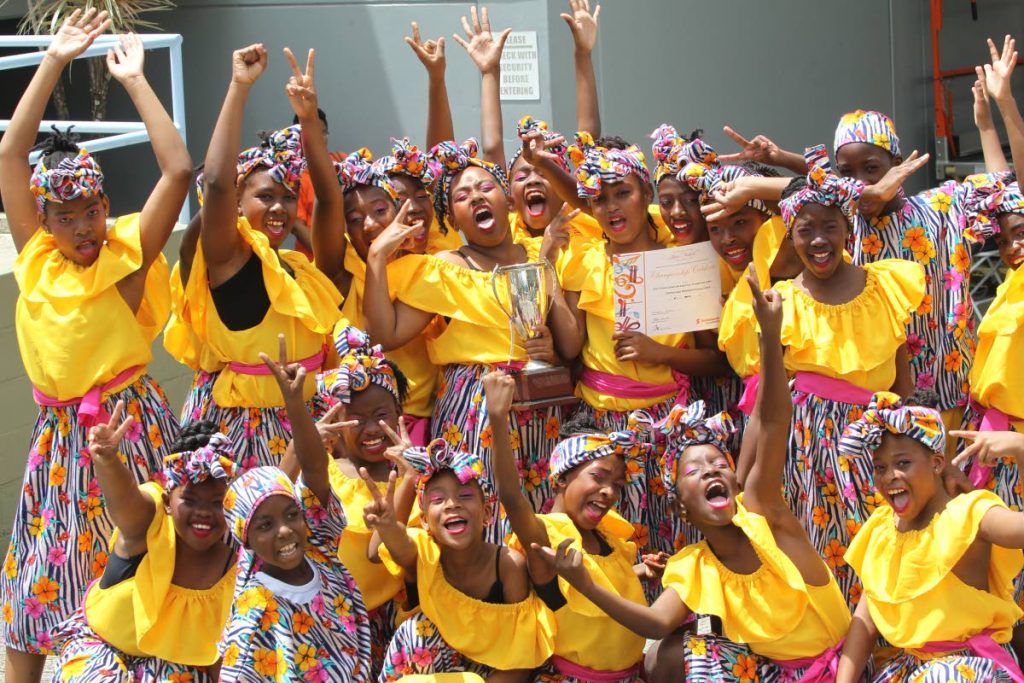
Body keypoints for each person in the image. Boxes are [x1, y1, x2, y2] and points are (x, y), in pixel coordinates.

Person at [533, 266, 851, 682]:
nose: (711, 471)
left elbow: (770, 423)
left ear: (736, 484)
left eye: (720, 464)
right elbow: (654, 624)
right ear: (680, 504)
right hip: (777, 676)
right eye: (695, 470)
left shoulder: (764, 517)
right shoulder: (694, 565)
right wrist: (585, 584)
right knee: (689, 651)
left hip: (840, 672)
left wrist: (769, 339)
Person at [0, 14, 189, 680]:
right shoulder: (37, 262)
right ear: (43, 220)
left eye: (93, 208)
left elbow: (178, 168)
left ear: (107, 203)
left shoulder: (127, 260)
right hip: (60, 439)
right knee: (39, 577)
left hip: (131, 425)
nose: (83, 225)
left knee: (149, 562)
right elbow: (9, 154)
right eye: (66, 214)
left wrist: (135, 81)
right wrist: (52, 60)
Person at [363, 138, 575, 535]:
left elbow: (572, 347)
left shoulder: (539, 252)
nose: (476, 196)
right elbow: (386, 334)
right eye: (462, 195)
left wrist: (550, 347)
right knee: (481, 515)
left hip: (541, 407)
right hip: (472, 408)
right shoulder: (445, 267)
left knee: (541, 513)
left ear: (509, 201)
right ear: (454, 219)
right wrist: (377, 257)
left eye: (486, 187)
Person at [548, 133, 731, 556]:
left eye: (622, 193)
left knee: (669, 530)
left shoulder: (682, 262)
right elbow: (572, 346)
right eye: (599, 199)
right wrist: (548, 269)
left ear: (645, 193)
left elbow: (717, 361)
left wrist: (660, 353)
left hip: (665, 422)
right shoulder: (586, 257)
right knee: (611, 532)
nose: (611, 207)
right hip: (602, 423)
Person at [173, 45, 343, 470]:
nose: (279, 208)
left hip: (305, 425)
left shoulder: (300, 270)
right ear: (236, 201)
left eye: (287, 198)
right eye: (264, 196)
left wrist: (308, 120)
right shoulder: (228, 260)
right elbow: (214, 183)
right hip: (243, 434)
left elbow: (328, 200)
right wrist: (239, 86)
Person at [771, 145, 925, 606]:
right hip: (809, 450)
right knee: (822, 548)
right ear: (790, 235)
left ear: (848, 228)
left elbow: (904, 386)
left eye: (830, 226)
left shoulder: (885, 287)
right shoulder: (783, 301)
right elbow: (769, 399)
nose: (819, 240)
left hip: (878, 449)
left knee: (887, 546)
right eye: (806, 230)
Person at [483, 370, 656, 683]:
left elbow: (598, 583)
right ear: (561, 477)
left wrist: (640, 571)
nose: (609, 492)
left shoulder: (610, 540)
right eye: (599, 477)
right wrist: (498, 417)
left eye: (617, 485)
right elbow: (511, 495)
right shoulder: (546, 537)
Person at [218, 336, 372, 682]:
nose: (284, 530)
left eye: (291, 515)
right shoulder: (254, 612)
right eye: (264, 525)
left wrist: (294, 403)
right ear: (246, 539)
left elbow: (315, 468)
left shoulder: (318, 551)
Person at [836, 400, 1024, 682]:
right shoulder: (881, 529)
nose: (890, 476)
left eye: (903, 463)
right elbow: (865, 623)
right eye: (880, 467)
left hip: (967, 669)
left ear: (937, 463)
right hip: (910, 669)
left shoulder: (967, 514)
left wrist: (1020, 447)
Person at [52, 417, 237, 682]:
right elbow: (125, 500)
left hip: (175, 669)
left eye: (217, 502)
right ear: (168, 500)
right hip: (105, 649)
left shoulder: (233, 570)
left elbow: (224, 658)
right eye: (189, 499)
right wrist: (108, 461)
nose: (204, 512)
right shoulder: (150, 525)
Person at [280, 325, 418, 678]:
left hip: (388, 619)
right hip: (328, 618)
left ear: (400, 411)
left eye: (381, 414)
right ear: (335, 422)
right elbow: (274, 495)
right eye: (355, 418)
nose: (370, 428)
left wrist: (409, 476)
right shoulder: (324, 469)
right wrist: (304, 444)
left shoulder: (411, 476)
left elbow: (386, 551)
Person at [365, 439, 555, 681]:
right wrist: (388, 526)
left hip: (490, 675)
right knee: (417, 631)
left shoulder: (508, 566)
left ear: (486, 514)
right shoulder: (425, 555)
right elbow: (401, 548)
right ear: (424, 520)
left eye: (465, 496)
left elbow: (521, 658)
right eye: (437, 499)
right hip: (428, 671)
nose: (452, 504)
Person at [458, 3, 604, 247]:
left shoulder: (587, 221)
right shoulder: (507, 234)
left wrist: (583, 53)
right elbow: (492, 148)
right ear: (509, 197)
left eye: (544, 173)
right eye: (522, 176)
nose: (533, 181)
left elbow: (589, 137)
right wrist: (489, 72)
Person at [951, 171, 1024, 660]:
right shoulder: (1010, 287)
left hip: (1015, 447)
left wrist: (1007, 107)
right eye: (1002, 239)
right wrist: (986, 114)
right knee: (1005, 586)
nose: (1012, 245)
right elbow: (1004, 184)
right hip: (994, 445)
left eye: (1021, 231)